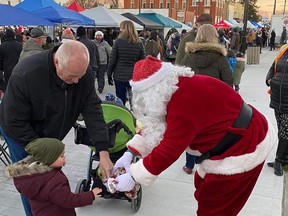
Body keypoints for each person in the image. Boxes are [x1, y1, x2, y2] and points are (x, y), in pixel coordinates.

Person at [111, 56, 276, 216]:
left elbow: (169, 149)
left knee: (215, 206)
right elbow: (156, 126)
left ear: (153, 92)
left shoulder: (183, 101)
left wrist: (134, 175)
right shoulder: (172, 90)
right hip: (225, 140)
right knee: (203, 190)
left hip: (245, 144)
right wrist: (131, 153)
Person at [0, 40, 113, 216]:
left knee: (51, 182)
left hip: (49, 135)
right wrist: (46, 154)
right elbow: (14, 122)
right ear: (57, 62)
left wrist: (103, 152)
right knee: (35, 184)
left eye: (80, 76)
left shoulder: (83, 75)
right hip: (20, 135)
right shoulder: (26, 74)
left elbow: (93, 113)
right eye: (71, 77)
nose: (76, 81)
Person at [5, 138, 102, 216]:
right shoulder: (53, 181)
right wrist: (91, 195)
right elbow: (68, 200)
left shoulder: (32, 177)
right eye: (61, 156)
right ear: (49, 159)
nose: (65, 157)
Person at [107, 20, 145, 108]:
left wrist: (109, 74)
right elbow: (142, 61)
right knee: (134, 101)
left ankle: (122, 117)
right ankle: (134, 118)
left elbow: (112, 60)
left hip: (119, 76)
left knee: (120, 100)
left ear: (123, 29)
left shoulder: (118, 42)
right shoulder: (139, 43)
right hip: (133, 76)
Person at [266, 44, 288, 176]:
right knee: (282, 129)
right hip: (277, 97)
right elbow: (273, 66)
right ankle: (284, 157)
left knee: (285, 130)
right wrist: (269, 80)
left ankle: (279, 160)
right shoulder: (284, 50)